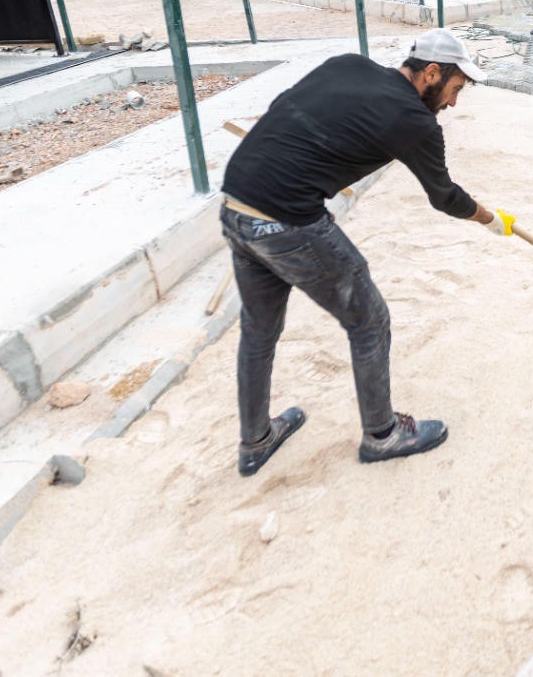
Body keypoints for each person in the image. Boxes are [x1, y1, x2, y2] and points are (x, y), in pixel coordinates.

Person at [219, 29, 515, 476]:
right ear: (432, 74)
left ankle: (255, 440)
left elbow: (288, 109)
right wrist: (490, 220)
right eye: (455, 90)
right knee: (369, 319)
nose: (454, 103)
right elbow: (445, 197)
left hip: (236, 205)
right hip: (286, 220)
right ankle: (382, 435)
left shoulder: (348, 64)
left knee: (259, 331)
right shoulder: (417, 123)